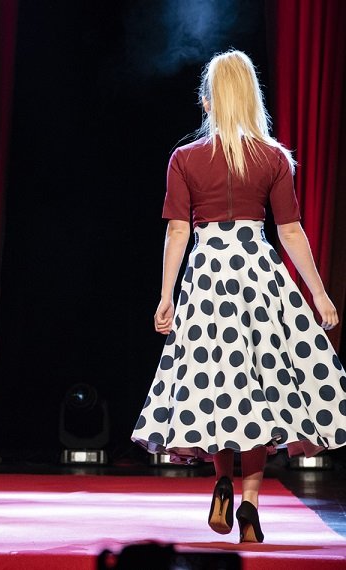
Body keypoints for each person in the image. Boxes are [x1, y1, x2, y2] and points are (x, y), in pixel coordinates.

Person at [131, 49, 346, 544]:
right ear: (252, 99)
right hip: (257, 275)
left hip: (208, 277)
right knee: (260, 387)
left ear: (208, 102)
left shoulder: (185, 158)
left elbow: (177, 232)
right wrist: (319, 294)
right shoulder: (273, 158)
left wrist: (165, 295)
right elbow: (290, 232)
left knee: (217, 383)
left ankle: (222, 482)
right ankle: (249, 504)